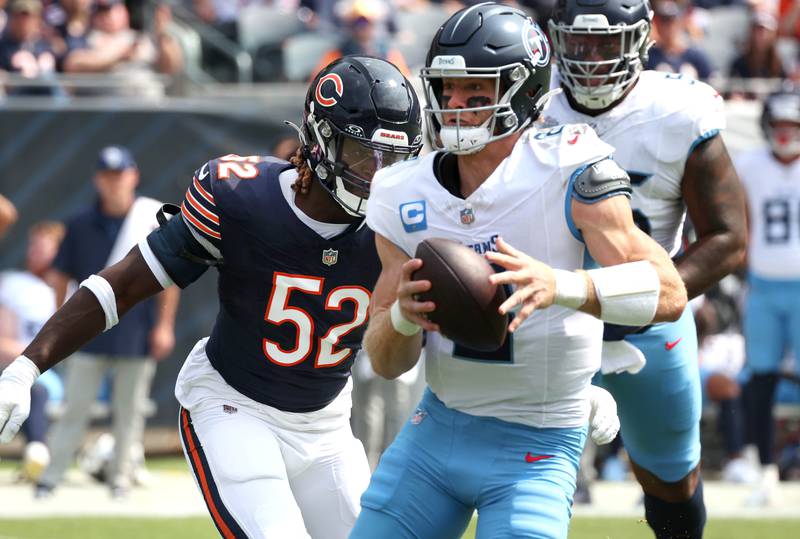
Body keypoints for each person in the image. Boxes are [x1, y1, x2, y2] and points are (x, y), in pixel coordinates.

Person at [0, 56, 422, 538]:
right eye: (365, 155)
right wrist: (26, 366)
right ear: (322, 141)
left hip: (326, 425)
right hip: (234, 408)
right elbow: (125, 284)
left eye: (396, 159)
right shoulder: (244, 198)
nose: (380, 175)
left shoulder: (402, 222)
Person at [350, 4, 688, 538]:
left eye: (477, 93)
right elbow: (384, 360)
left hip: (539, 437)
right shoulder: (403, 191)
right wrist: (405, 321)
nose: (457, 106)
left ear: (523, 91)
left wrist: (563, 286)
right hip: (438, 429)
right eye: (448, 91)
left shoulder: (569, 166)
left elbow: (669, 292)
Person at [545, 0, 747, 536]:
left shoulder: (678, 111)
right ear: (556, 40)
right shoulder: (529, 110)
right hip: (549, 312)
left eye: (604, 44)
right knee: (525, 462)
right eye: (579, 44)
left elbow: (727, 239)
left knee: (670, 477)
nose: (589, 59)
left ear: (639, 42)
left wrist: (642, 300)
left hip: (651, 325)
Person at [32, 145, 179, 499]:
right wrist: (60, 327)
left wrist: (163, 326)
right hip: (88, 332)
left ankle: (121, 477)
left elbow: (169, 280)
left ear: (134, 176)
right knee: (75, 408)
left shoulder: (149, 218)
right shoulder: (80, 224)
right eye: (108, 176)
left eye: (120, 175)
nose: (114, 183)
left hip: (135, 329)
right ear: (98, 180)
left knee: (129, 412)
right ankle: (52, 477)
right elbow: (61, 279)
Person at [735, 85, 800, 505]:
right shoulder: (748, 164)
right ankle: (766, 468)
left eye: (791, 124)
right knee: (760, 378)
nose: (784, 132)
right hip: (761, 284)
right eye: (778, 124)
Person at [0, 221, 65, 482]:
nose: (34, 252)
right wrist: (29, 356)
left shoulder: (75, 290)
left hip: (51, 375)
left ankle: (37, 450)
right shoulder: (15, 285)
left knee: (35, 390)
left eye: (43, 247)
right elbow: (3, 340)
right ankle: (37, 452)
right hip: (14, 368)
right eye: (33, 246)